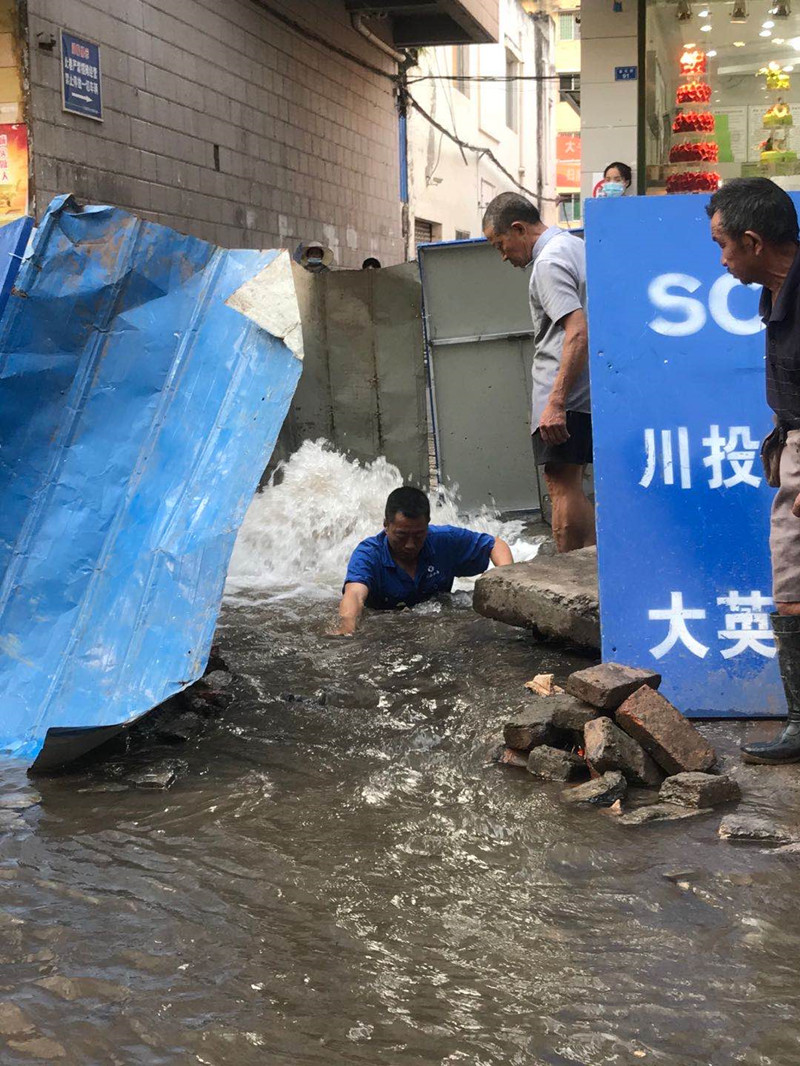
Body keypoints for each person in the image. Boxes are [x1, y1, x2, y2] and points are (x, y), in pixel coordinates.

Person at [707, 177, 800, 763]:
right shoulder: (777, 291)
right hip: (791, 440)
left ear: (753, 241)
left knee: (793, 589)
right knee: (792, 591)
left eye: (723, 245)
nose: (722, 260)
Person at [482, 191, 595, 553]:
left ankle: (572, 569)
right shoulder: (577, 247)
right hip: (588, 388)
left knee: (561, 484)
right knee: (573, 481)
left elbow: (577, 331)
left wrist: (556, 401)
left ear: (518, 229)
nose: (503, 255)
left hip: (567, 392)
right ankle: (593, 564)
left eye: (500, 244)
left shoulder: (547, 263)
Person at [334, 486, 513, 636]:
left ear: (427, 524)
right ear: (386, 525)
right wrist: (347, 629)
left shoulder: (444, 540)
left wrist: (508, 584)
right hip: (385, 629)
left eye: (419, 535)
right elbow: (354, 594)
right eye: (401, 536)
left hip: (436, 626)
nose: (410, 545)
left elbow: (495, 545)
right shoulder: (368, 554)